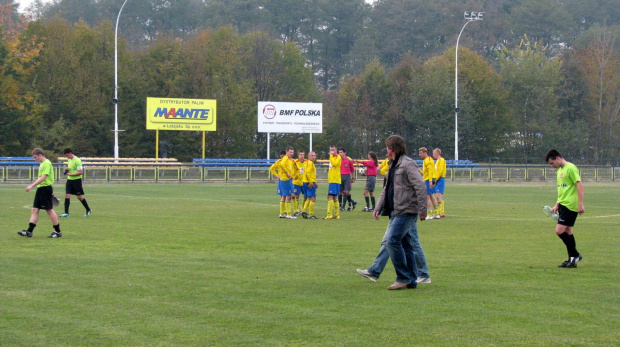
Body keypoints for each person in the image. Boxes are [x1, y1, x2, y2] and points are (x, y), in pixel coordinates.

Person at [357, 135, 428, 290]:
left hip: (406, 210)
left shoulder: (408, 164)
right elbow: (387, 190)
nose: (386, 151)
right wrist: (378, 207)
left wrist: (423, 210)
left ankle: (402, 277)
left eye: (387, 147)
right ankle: (411, 280)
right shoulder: (392, 164)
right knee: (406, 244)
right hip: (395, 210)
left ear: (393, 149)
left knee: (392, 240)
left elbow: (420, 186)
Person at [545, 149, 585, 268]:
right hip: (563, 204)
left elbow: (579, 185)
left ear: (557, 158)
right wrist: (557, 204)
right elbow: (562, 190)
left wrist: (580, 204)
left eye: (552, 163)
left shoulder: (571, 168)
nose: (552, 166)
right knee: (568, 232)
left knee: (559, 231)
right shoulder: (560, 171)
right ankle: (571, 260)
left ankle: (576, 255)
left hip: (570, 205)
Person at [18, 148, 63, 238]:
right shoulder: (42, 164)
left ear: (40, 155)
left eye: (35, 157)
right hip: (41, 189)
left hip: (45, 189)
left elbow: (43, 178)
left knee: (49, 210)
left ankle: (58, 231)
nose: (34, 159)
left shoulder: (47, 163)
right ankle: (29, 231)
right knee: (35, 210)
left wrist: (31, 186)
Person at [59, 148, 92, 218]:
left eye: (67, 155)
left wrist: (71, 174)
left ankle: (88, 209)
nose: (66, 157)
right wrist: (67, 170)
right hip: (69, 180)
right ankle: (66, 213)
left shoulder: (77, 160)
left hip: (76, 181)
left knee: (79, 197)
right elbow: (71, 169)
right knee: (67, 195)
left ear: (70, 153)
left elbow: (80, 172)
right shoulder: (69, 160)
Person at [419, 147, 438, 219]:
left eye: (421, 153)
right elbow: (426, 172)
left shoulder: (428, 160)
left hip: (428, 180)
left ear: (425, 153)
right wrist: (420, 171)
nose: (419, 155)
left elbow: (430, 171)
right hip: (430, 179)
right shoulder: (428, 160)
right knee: (431, 196)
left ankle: (429, 214)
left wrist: (430, 181)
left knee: (427, 197)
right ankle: (436, 213)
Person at [325, 146, 342, 219]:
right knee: (335, 197)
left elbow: (334, 164)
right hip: (332, 180)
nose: (331, 151)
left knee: (330, 196)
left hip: (334, 180)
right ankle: (336, 214)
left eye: (333, 150)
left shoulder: (338, 157)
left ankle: (329, 214)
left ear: (336, 150)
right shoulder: (332, 157)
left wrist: (331, 156)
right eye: (330, 150)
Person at [301, 151, 319, 219]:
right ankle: (311, 215)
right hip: (309, 182)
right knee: (312, 198)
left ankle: (304, 210)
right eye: (312, 155)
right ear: (308, 156)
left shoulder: (307, 163)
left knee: (309, 197)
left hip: (306, 182)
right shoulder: (310, 163)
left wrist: (315, 182)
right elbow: (308, 173)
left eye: (314, 155)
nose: (314, 157)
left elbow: (311, 174)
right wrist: (311, 183)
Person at [292, 150, 308, 216]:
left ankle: (302, 209)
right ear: (298, 155)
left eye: (303, 154)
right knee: (296, 196)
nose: (302, 156)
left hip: (304, 182)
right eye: (300, 154)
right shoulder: (295, 162)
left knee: (306, 196)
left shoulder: (307, 162)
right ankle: (296, 209)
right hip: (296, 182)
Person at [432, 148, 446, 218]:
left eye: (433, 153)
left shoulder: (441, 160)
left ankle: (441, 212)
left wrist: (435, 179)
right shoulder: (437, 161)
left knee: (438, 196)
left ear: (437, 153)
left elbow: (439, 171)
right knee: (438, 196)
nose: (433, 155)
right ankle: (440, 212)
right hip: (438, 180)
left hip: (440, 179)